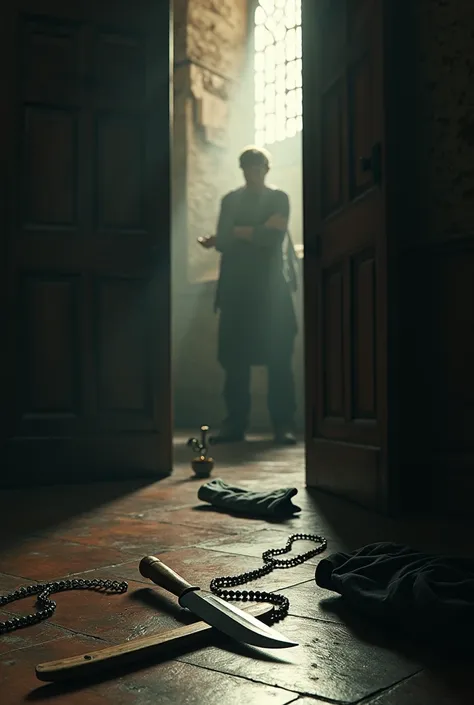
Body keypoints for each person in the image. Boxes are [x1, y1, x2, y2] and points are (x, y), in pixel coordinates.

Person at [199, 146, 298, 445]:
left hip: (271, 295)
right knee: (234, 362)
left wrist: (238, 232)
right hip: (236, 292)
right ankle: (235, 423)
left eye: (257, 167)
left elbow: (273, 237)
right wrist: (254, 230)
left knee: (279, 360)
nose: (252, 173)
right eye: (247, 167)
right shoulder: (230, 200)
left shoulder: (279, 198)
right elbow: (223, 241)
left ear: (266, 169)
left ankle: (283, 424)